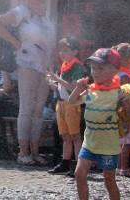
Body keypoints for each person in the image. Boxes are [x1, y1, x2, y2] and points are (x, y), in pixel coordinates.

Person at [0, 0, 56, 166]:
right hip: (27, 62)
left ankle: (36, 152)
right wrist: (15, 42)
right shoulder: (22, 12)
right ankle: (23, 152)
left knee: (38, 109)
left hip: (44, 64)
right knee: (27, 107)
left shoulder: (47, 14)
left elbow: (50, 40)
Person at [68, 48, 130, 200]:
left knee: (109, 181)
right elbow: (72, 102)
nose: (96, 72)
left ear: (115, 70)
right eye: (93, 67)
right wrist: (78, 88)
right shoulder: (90, 91)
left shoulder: (118, 93)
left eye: (101, 68)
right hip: (89, 143)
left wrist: (128, 102)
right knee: (79, 174)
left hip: (109, 146)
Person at [46, 37, 88, 175]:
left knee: (75, 136)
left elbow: (73, 87)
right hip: (61, 103)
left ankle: (78, 164)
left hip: (72, 104)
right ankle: (65, 163)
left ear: (75, 51)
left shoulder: (77, 67)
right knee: (65, 136)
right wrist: (52, 83)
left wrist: (57, 79)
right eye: (60, 50)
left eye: (66, 50)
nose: (62, 53)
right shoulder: (65, 65)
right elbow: (60, 88)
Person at [113, 42, 130, 177]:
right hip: (125, 112)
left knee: (120, 141)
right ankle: (124, 168)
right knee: (127, 142)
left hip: (118, 111)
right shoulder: (124, 75)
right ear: (125, 59)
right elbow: (126, 93)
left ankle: (118, 167)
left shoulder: (115, 73)